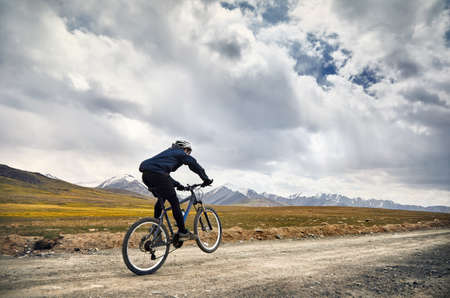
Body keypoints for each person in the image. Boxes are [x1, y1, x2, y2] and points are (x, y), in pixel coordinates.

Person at [139, 140, 213, 239]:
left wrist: (178, 185)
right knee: (174, 202)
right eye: (189, 152)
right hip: (158, 175)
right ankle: (182, 232)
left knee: (162, 198)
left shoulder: (168, 154)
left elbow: (164, 175)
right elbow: (193, 164)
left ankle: (156, 229)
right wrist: (205, 179)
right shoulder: (180, 153)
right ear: (185, 149)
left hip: (146, 175)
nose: (188, 154)